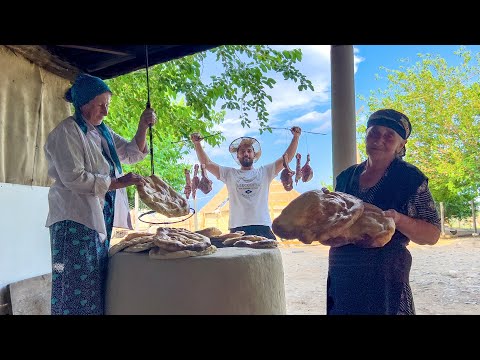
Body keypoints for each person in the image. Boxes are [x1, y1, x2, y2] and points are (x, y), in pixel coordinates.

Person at [44, 73, 157, 315]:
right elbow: (75, 178)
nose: (106, 112)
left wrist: (142, 126)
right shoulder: (68, 132)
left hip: (95, 220)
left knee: (93, 282)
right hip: (73, 221)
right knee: (73, 284)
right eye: (101, 105)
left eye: (107, 105)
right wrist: (118, 182)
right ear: (84, 103)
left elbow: (130, 153)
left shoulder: (101, 132)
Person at [327, 108, 441, 315]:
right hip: (342, 275)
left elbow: (432, 234)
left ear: (401, 144)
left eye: (389, 135)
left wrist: (397, 219)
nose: (379, 139)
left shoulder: (409, 178)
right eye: (374, 132)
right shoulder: (346, 177)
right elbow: (336, 224)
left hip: (387, 279)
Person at [190, 127, 302, 240]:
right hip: (237, 229)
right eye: (242, 152)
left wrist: (296, 137)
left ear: (254, 154)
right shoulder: (229, 174)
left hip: (262, 227)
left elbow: (287, 158)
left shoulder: (265, 172)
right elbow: (207, 163)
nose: (246, 154)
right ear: (237, 156)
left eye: (249, 151)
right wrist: (197, 144)